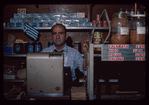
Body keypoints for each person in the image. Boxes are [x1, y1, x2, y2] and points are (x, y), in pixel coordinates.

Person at [9, 23, 89, 94]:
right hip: (47, 90)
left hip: (68, 90)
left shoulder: (74, 53)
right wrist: (21, 87)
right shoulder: (44, 52)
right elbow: (34, 74)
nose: (57, 36)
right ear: (52, 37)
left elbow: (85, 68)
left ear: (66, 36)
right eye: (54, 34)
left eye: (61, 33)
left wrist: (85, 52)